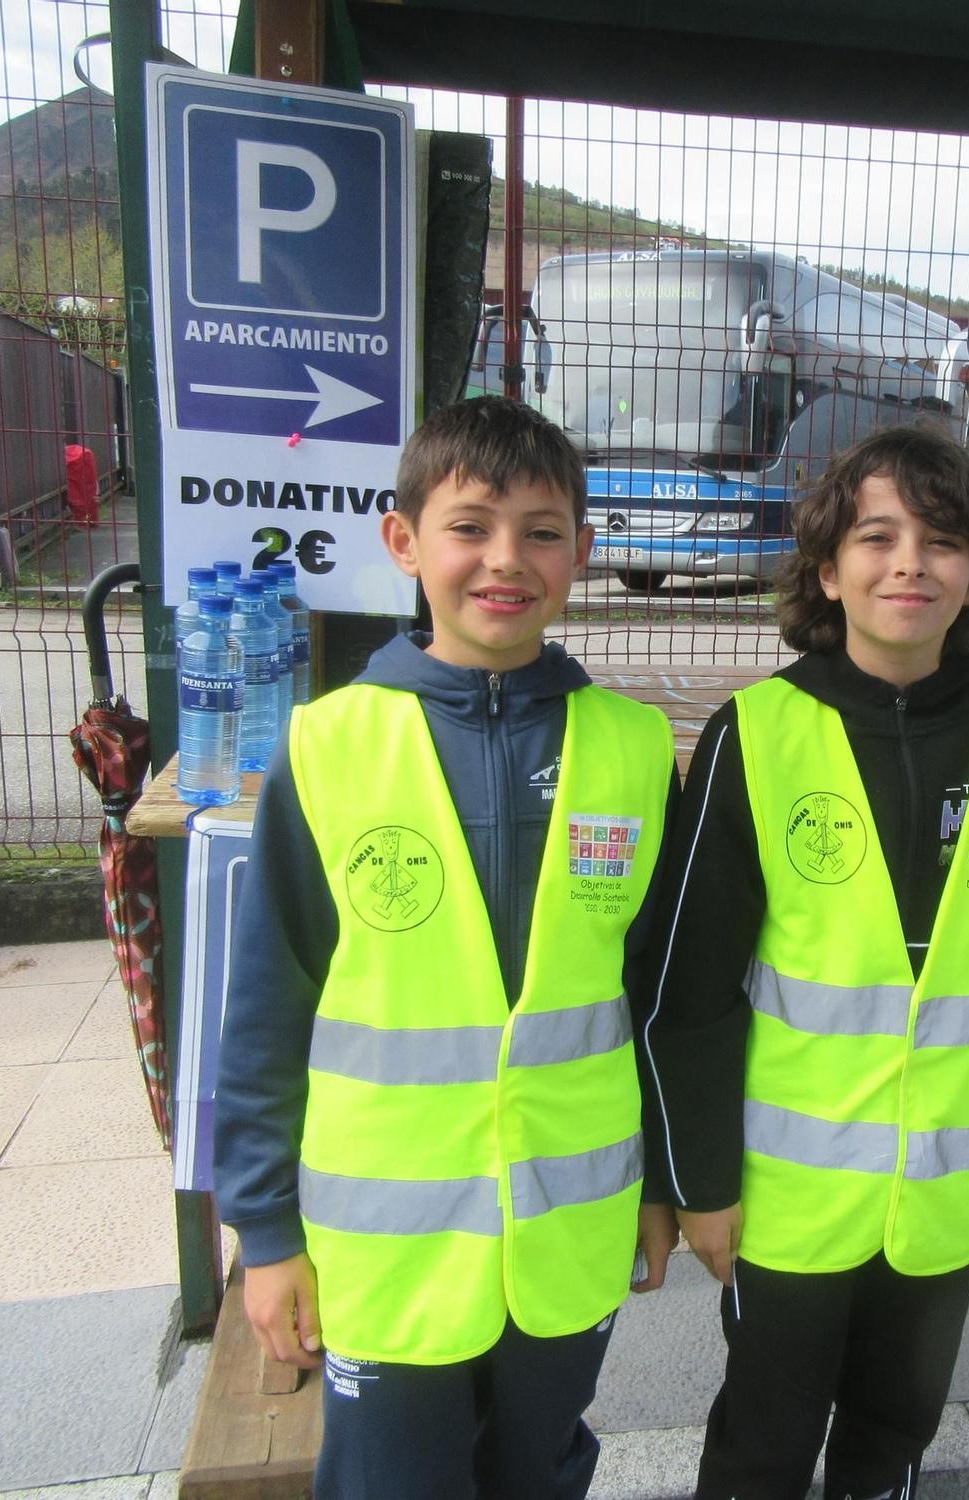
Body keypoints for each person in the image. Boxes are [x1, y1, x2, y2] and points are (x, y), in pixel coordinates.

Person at [214, 395, 681, 1500]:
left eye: (541, 530)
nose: (504, 560)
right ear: (402, 540)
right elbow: (266, 1009)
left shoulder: (632, 746)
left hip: (567, 1230)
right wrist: (267, 1232)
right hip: (386, 1247)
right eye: (470, 525)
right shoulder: (328, 746)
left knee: (538, 1472)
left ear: (584, 550)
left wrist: (659, 1182)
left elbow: (656, 996)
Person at [638, 424, 969, 1500]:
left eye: (941, 540)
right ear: (827, 571)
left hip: (940, 1192)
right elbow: (682, 990)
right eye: (876, 538)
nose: (908, 564)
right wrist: (695, 1185)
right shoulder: (760, 734)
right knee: (766, 1441)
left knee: (893, 1429)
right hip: (789, 1199)